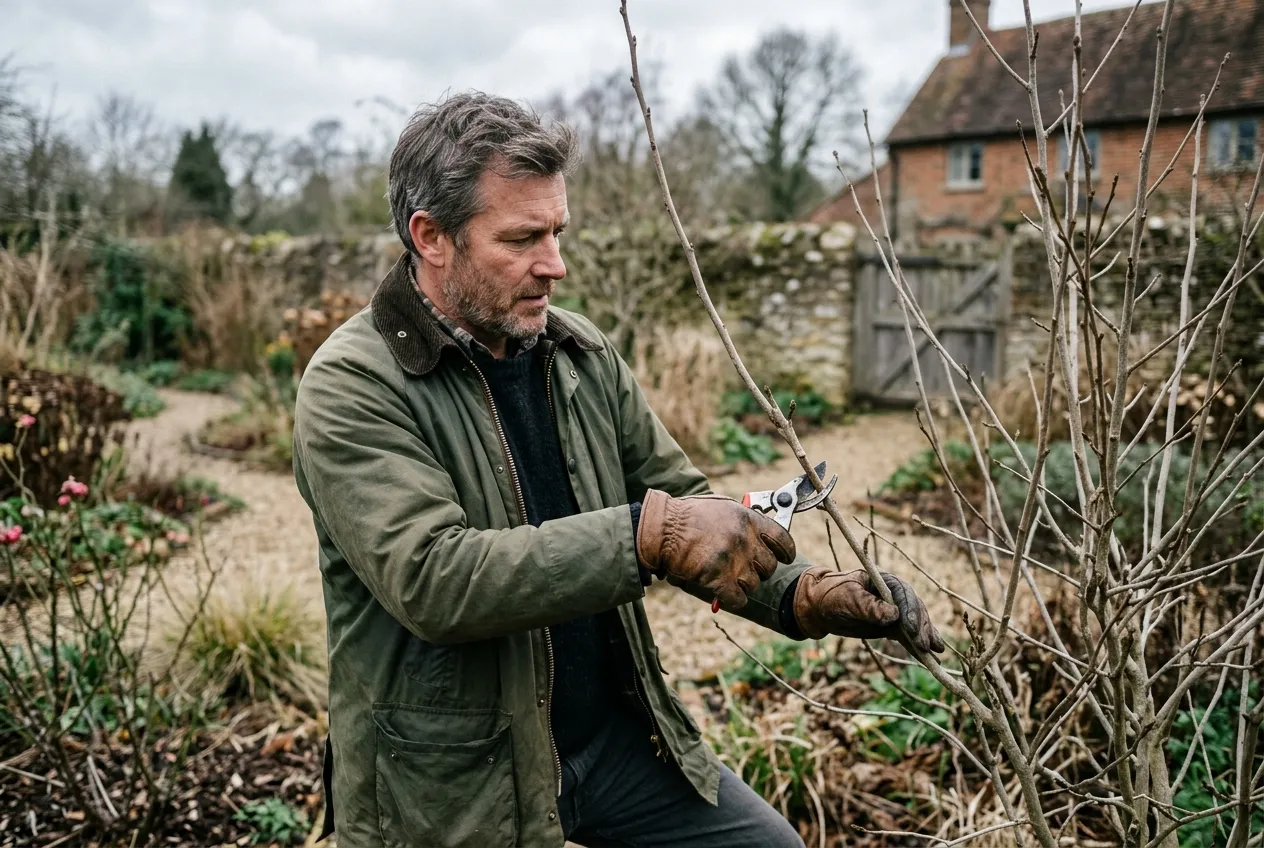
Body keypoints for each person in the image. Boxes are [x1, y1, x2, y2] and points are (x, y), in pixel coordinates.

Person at [291, 90, 944, 848]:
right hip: (454, 777)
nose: (555, 265)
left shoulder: (579, 353)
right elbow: (435, 580)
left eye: (558, 232)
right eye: (522, 238)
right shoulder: (354, 383)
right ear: (431, 236)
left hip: (612, 742)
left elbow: (687, 507)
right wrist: (648, 535)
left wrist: (804, 597)